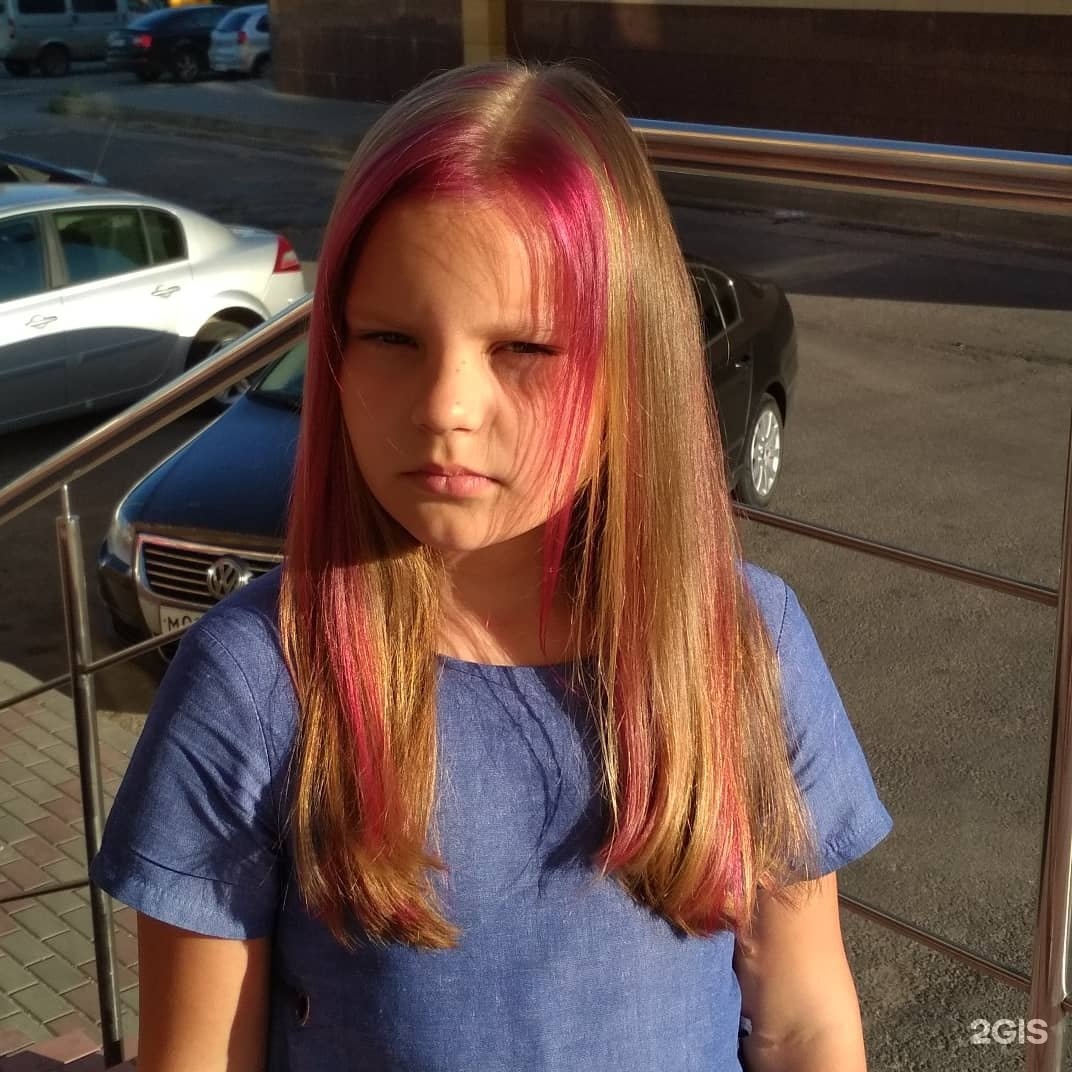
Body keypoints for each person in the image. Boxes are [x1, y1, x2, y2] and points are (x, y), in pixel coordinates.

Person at [90, 60, 893, 1072]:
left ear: (630, 368)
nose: (445, 407)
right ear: (335, 352)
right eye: (392, 337)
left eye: (522, 348)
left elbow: (804, 1020)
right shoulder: (256, 684)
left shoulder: (741, 646)